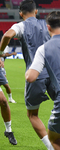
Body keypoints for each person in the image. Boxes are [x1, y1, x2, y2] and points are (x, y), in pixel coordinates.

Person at [0, 1, 53, 149]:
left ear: (21, 13)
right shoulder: (47, 24)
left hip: (35, 75)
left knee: (33, 114)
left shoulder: (20, 25)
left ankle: (51, 147)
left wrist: (0, 54)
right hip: (54, 74)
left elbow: (7, 35)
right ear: (37, 11)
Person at [25, 11, 60, 150]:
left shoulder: (44, 48)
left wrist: (28, 70)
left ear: (48, 28)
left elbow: (31, 77)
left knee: (55, 140)